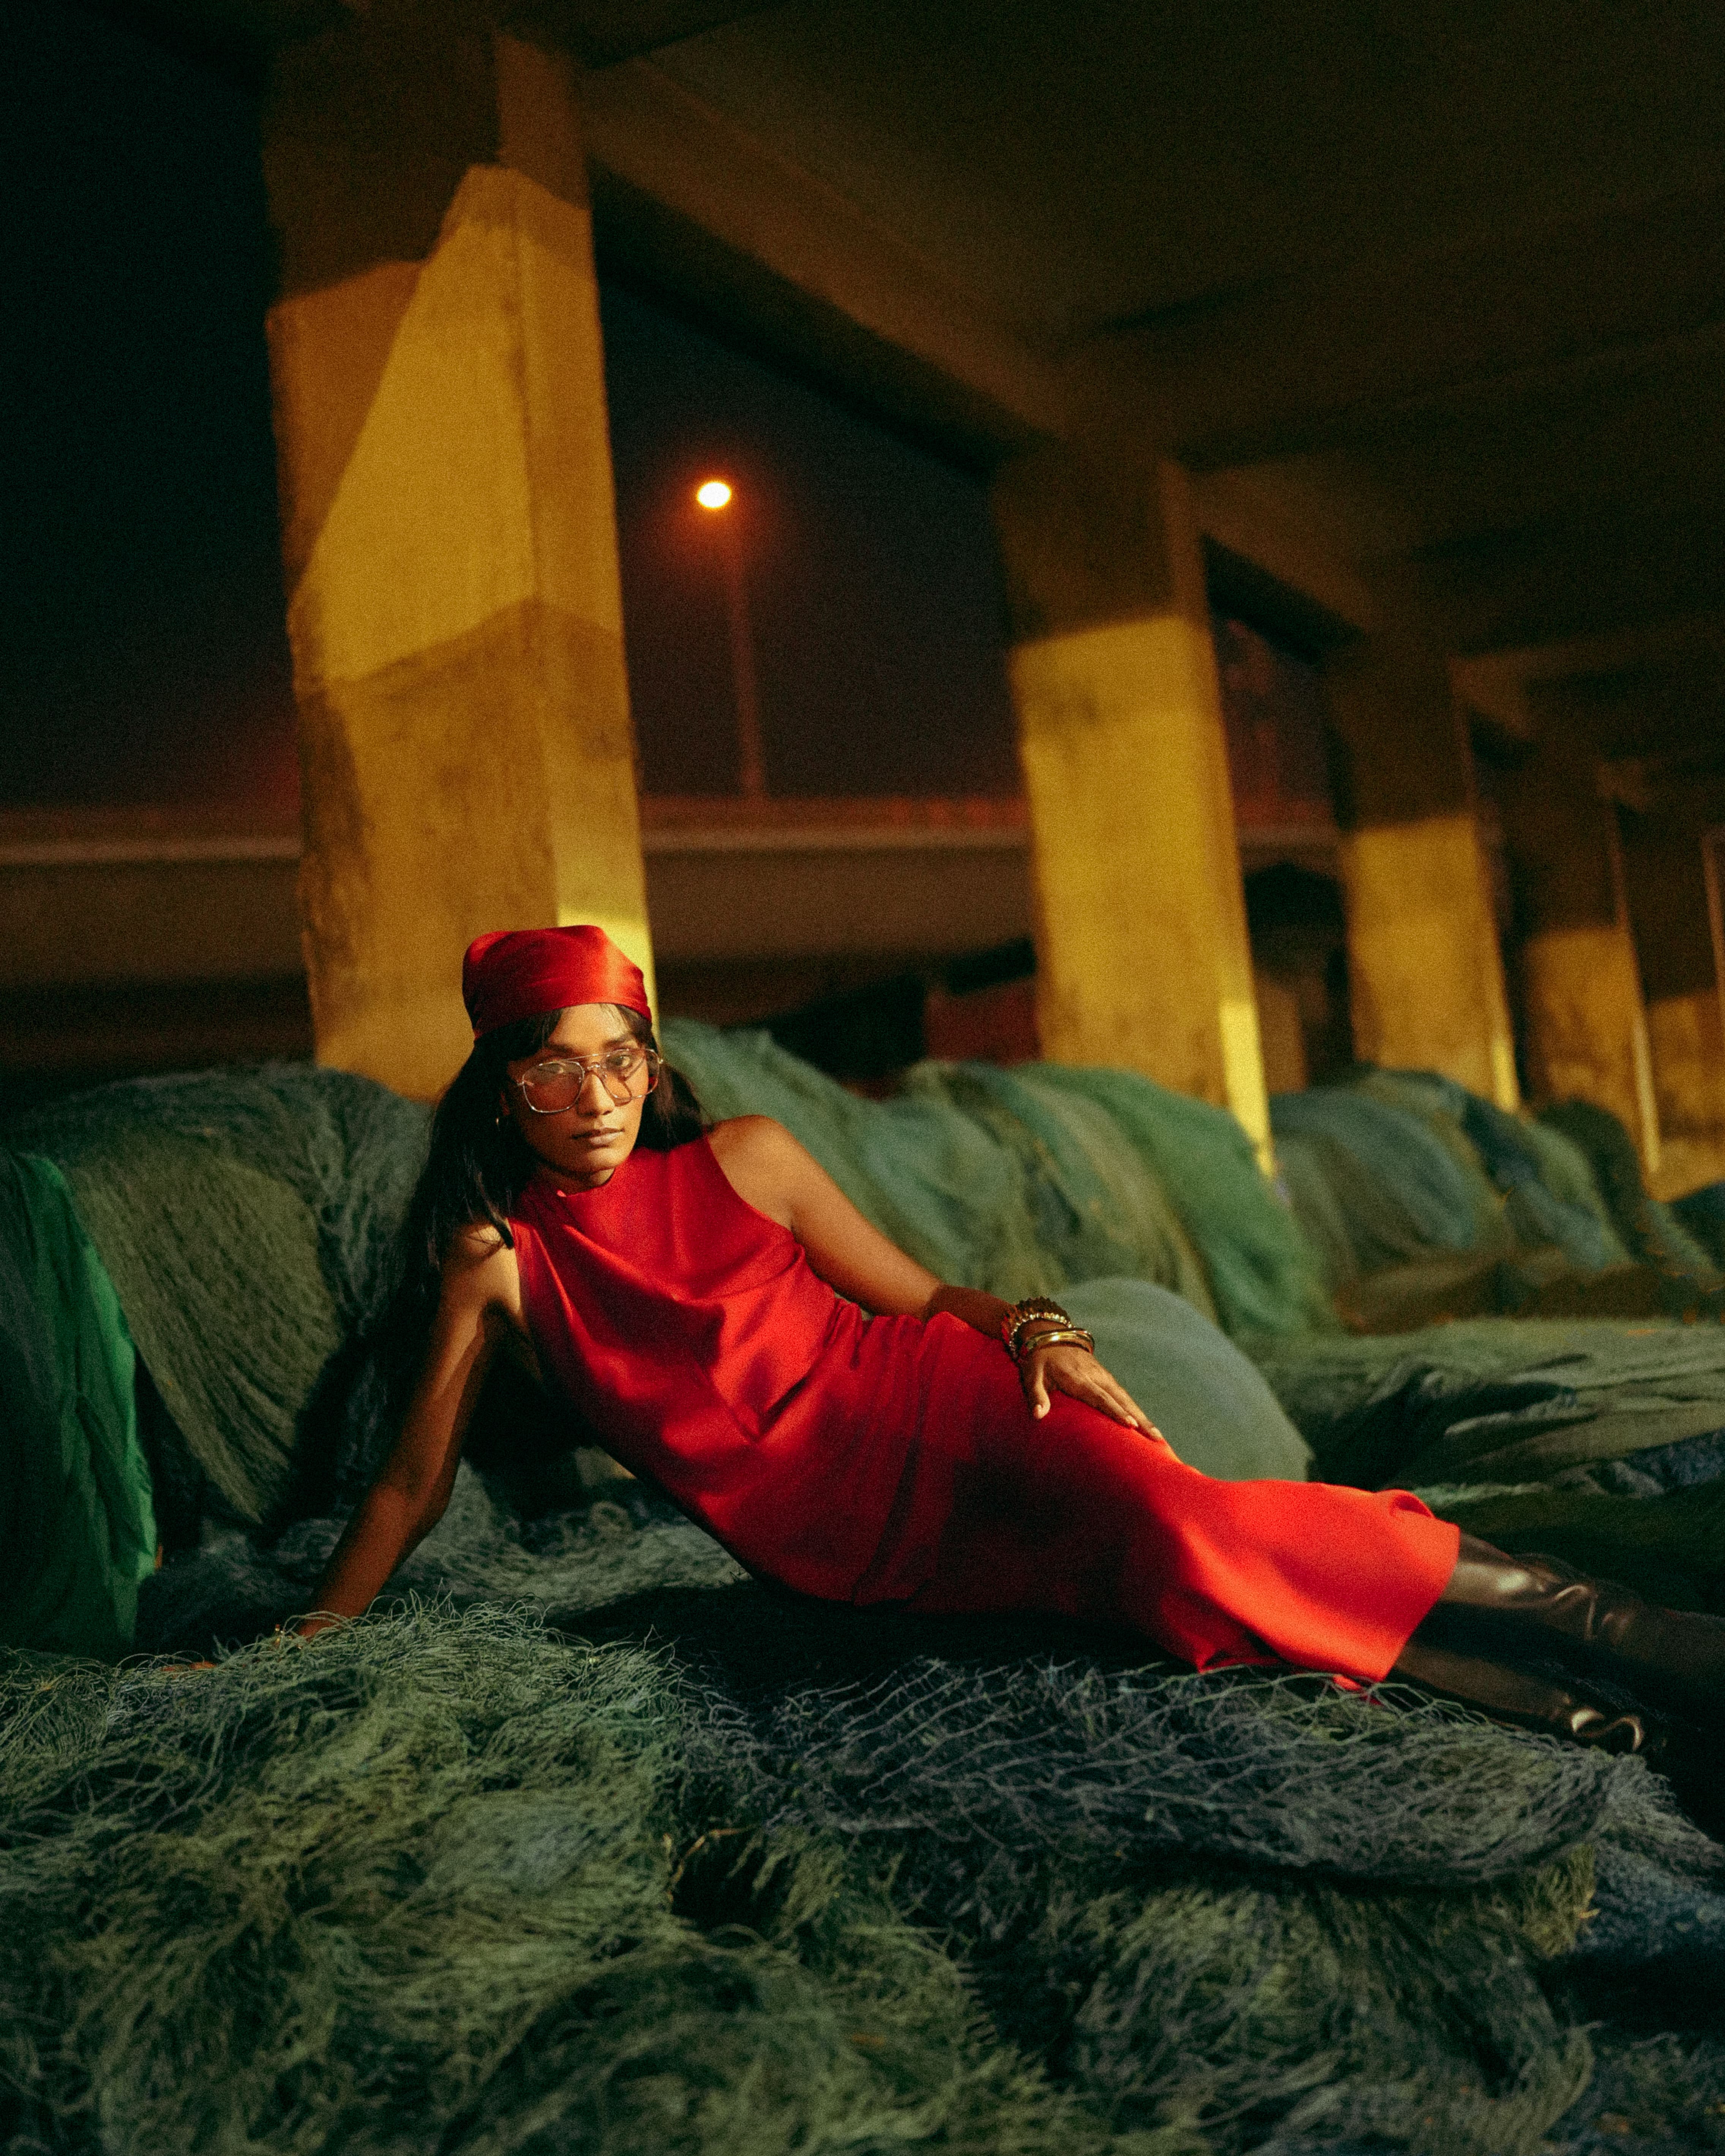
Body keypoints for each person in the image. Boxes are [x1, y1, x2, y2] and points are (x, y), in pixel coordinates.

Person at [307, 926, 1725, 1753]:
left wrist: (1045, 1331)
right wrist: (318, 1625)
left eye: (622, 1057)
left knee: (1185, 1535)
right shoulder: (498, 1264)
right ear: (505, 1091)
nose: (599, 1093)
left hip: (952, 1406)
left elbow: (930, 1302)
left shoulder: (746, 1156)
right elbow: (408, 1483)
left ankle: (1614, 1637)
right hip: (849, 1543)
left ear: (653, 1063)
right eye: (555, 1065)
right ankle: (1522, 1683)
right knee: (1153, 1597)